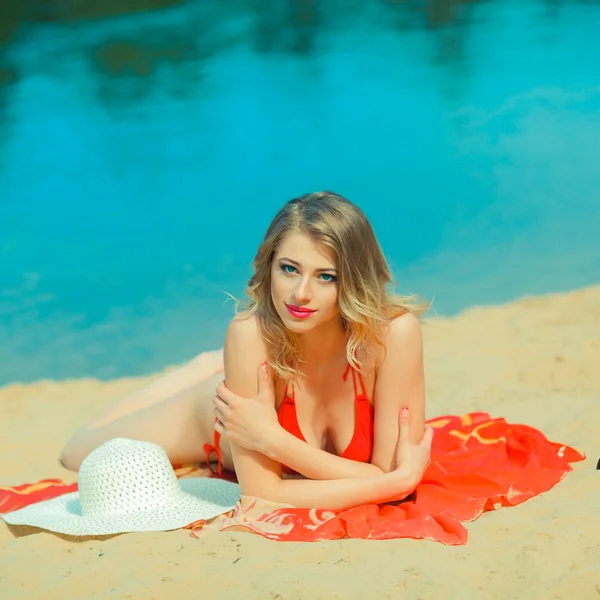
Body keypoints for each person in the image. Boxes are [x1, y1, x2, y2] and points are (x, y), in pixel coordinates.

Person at [60, 191, 434, 511]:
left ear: (354, 279)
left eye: (326, 276)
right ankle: (201, 370)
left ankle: (207, 366)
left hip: (259, 394)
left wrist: (272, 440)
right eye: (289, 269)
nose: (300, 294)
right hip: (212, 417)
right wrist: (389, 485)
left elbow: (388, 472)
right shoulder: (248, 337)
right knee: (78, 454)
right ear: (270, 265)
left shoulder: (393, 335)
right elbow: (262, 492)